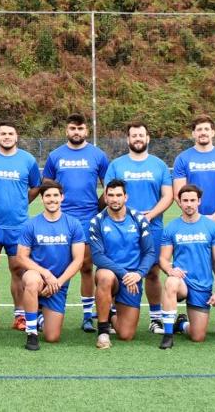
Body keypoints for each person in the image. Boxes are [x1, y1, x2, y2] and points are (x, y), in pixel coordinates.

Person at [172, 114, 215, 336]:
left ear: (213, 133)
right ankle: (185, 313)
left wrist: (214, 217)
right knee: (196, 264)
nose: (202, 133)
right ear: (193, 133)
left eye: (206, 129)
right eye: (198, 129)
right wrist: (199, 219)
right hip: (192, 223)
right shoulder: (183, 159)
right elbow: (178, 193)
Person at [41, 113, 108, 332]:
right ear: (67, 131)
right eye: (72, 128)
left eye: (80, 129)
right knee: (52, 264)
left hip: (87, 218)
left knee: (86, 266)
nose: (76, 132)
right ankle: (43, 310)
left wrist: (97, 206)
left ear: (86, 130)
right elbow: (47, 184)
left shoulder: (98, 155)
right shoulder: (55, 155)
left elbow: (108, 188)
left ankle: (87, 315)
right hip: (60, 218)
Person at [105, 122, 172, 333]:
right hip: (120, 227)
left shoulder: (159, 165)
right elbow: (109, 195)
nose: (137, 139)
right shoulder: (116, 164)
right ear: (128, 139)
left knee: (152, 272)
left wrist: (150, 216)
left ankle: (155, 318)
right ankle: (114, 313)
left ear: (148, 138)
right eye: (134, 135)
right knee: (119, 270)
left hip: (153, 226)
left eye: (141, 135)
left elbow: (168, 195)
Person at [0, 121, 41, 331]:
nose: (6, 137)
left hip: (18, 225)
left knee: (19, 269)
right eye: (3, 133)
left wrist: (21, 203)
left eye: (10, 133)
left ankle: (20, 315)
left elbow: (35, 187)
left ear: (16, 136)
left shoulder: (27, 159)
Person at [16, 181, 87, 351]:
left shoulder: (73, 224)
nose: (52, 199)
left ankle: (40, 317)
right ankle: (31, 332)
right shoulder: (31, 224)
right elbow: (21, 257)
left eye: (55, 195)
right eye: (47, 196)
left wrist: (58, 282)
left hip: (58, 284)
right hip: (37, 277)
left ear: (62, 197)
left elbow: (78, 260)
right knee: (32, 280)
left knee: (52, 337)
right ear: (42, 199)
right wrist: (45, 274)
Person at [88, 179, 156, 348]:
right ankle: (103, 332)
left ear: (126, 197)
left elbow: (149, 253)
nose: (114, 199)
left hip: (133, 278)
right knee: (104, 276)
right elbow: (98, 257)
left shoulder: (139, 220)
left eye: (118, 195)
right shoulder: (97, 221)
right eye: (110, 195)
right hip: (114, 275)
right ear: (105, 197)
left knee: (126, 335)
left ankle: (110, 313)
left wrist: (138, 274)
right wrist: (124, 274)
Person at [158, 184, 215, 348]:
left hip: (202, 284)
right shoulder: (171, 227)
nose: (189, 204)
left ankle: (181, 324)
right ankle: (167, 335)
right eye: (185, 200)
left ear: (199, 202)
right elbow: (163, 259)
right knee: (171, 281)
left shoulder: (211, 227)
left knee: (198, 336)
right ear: (179, 202)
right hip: (182, 281)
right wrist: (170, 270)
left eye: (192, 200)